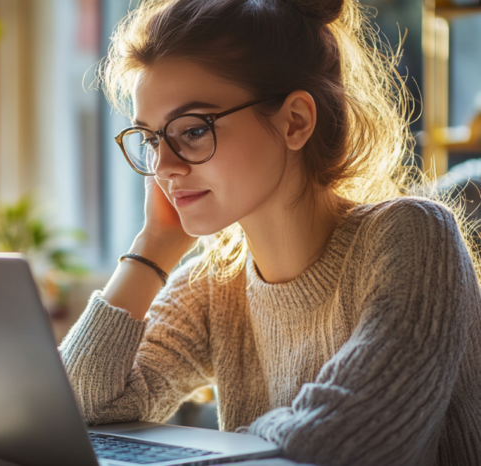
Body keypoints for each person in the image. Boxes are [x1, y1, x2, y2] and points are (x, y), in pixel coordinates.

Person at [58, 0, 481, 465]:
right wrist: (154, 245)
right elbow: (73, 411)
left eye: (193, 130)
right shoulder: (214, 287)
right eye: (152, 139)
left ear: (294, 121)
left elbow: (342, 443)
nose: (164, 168)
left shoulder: (413, 237)